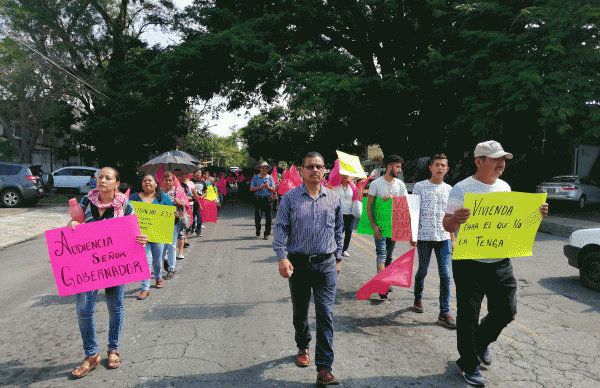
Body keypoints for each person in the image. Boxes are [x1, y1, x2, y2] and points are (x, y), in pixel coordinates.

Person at [443, 140, 549, 387]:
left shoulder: (504, 187)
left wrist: (536, 214)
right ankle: (468, 363)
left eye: (503, 159)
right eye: (496, 159)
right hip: (469, 263)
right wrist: (456, 219)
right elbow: (447, 225)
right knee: (468, 317)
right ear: (479, 161)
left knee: (506, 311)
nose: (501, 164)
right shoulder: (461, 189)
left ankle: (479, 344)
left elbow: (512, 223)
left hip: (500, 261)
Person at [68, 167, 148, 378]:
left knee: (116, 307)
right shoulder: (85, 202)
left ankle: (113, 348)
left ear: (116, 183)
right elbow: (73, 226)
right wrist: (72, 224)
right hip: (87, 265)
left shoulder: (126, 206)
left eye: (108, 178)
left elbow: (136, 233)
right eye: (99, 177)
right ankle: (91, 354)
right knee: (84, 308)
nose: (102, 180)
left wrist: (141, 239)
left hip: (115, 265)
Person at [273, 151, 343, 387]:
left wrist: (338, 257)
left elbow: (339, 231)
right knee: (300, 311)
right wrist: (282, 257)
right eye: (310, 166)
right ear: (301, 170)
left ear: (324, 170)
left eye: (319, 166)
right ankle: (303, 345)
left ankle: (324, 368)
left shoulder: (333, 199)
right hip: (299, 264)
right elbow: (280, 228)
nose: (315, 170)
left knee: (326, 314)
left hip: (326, 265)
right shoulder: (290, 198)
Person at [412, 154, 456, 329]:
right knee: (422, 270)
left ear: (447, 169)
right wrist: (412, 235)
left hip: (444, 238)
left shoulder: (451, 190)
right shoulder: (420, 187)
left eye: (443, 165)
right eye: (436, 164)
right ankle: (417, 299)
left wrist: (453, 239)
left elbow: (451, 217)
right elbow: (413, 212)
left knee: (445, 275)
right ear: (430, 167)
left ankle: (444, 313)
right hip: (424, 237)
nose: (439, 168)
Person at [366, 154, 409, 299]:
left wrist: (393, 199)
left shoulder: (400, 185)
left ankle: (385, 278)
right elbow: (369, 206)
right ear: (389, 167)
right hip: (380, 227)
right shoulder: (376, 184)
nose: (399, 170)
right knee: (382, 253)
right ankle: (382, 285)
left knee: (389, 255)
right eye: (397, 167)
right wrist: (374, 226)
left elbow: (405, 206)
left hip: (394, 226)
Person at [129, 174, 173, 300]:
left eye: (150, 180)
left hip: (158, 235)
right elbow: (126, 213)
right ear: (141, 184)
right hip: (141, 236)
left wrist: (174, 215)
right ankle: (145, 288)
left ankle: (158, 277)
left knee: (157, 260)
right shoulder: (134, 198)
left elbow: (170, 216)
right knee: (146, 261)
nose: (147, 182)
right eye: (145, 180)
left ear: (156, 184)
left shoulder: (163, 198)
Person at [161, 171, 184, 280]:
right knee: (161, 248)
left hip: (173, 223)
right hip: (159, 224)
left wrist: (179, 203)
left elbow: (184, 206)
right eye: (166, 180)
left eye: (170, 180)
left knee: (171, 246)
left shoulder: (177, 192)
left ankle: (171, 269)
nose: (168, 182)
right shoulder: (157, 193)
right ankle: (165, 259)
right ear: (162, 181)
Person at [332, 174, 360, 257]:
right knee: (339, 232)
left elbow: (358, 195)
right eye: (343, 176)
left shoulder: (352, 186)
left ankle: (345, 249)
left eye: (347, 176)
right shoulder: (337, 186)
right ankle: (335, 248)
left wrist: (361, 184)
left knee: (349, 232)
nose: (345, 178)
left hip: (350, 213)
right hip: (340, 213)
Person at [250, 162, 276, 240]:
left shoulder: (270, 178)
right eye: (263, 167)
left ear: (268, 169)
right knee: (258, 217)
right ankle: (258, 229)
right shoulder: (256, 178)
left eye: (266, 168)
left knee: (269, 218)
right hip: (258, 199)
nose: (264, 169)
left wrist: (268, 186)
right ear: (260, 168)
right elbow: (251, 188)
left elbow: (274, 189)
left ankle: (267, 233)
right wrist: (259, 187)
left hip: (268, 199)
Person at [174, 169, 193, 258]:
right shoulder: (164, 188)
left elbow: (190, 198)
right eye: (175, 175)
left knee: (181, 233)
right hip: (168, 215)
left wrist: (181, 201)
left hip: (181, 213)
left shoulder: (185, 187)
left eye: (178, 175)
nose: (176, 177)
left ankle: (180, 252)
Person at [191, 170, 206, 237]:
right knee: (192, 217)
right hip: (191, 201)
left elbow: (206, 192)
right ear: (193, 174)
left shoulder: (203, 182)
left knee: (199, 217)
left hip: (199, 202)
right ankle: (192, 227)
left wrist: (201, 196)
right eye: (197, 173)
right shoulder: (190, 182)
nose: (198, 174)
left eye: (200, 173)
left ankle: (198, 231)